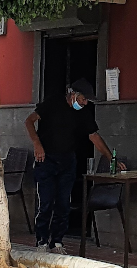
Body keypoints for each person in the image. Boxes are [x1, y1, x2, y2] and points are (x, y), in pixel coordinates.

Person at [24, 77, 124, 254]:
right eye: (83, 99)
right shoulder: (52, 103)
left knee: (63, 203)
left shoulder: (83, 112)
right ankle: (41, 241)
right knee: (46, 203)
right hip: (46, 159)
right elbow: (29, 121)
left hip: (68, 160)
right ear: (73, 95)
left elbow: (94, 136)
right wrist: (37, 144)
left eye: (86, 100)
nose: (85, 103)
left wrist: (110, 159)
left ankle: (57, 242)